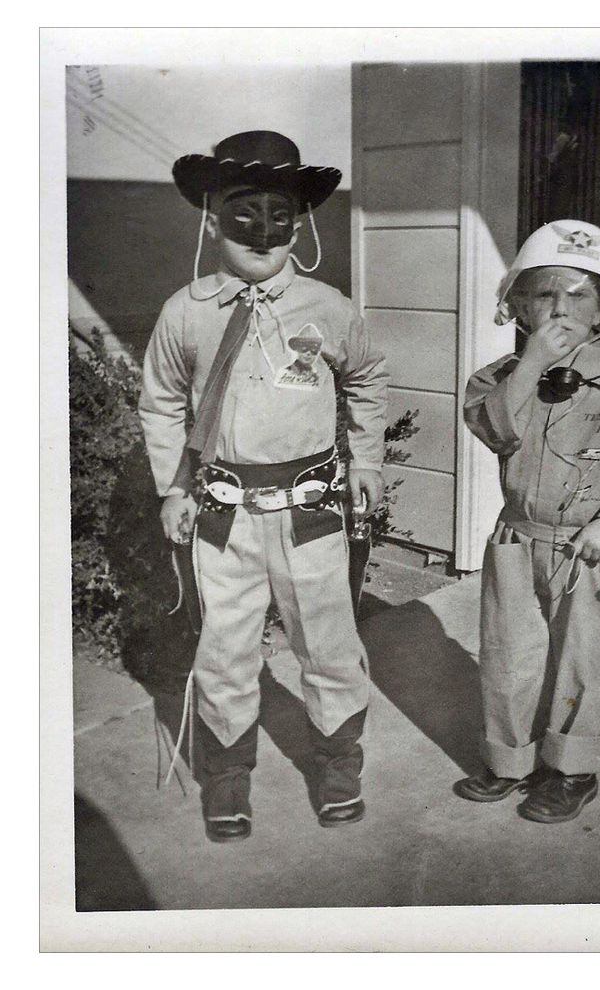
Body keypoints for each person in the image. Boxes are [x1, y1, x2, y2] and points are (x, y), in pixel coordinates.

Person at [138, 131, 388, 841]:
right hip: (224, 514)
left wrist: (366, 462)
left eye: (278, 213)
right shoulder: (184, 311)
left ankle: (338, 764)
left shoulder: (328, 306)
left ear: (299, 223)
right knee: (224, 649)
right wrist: (171, 488)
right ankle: (226, 777)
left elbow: (367, 379)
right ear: (212, 218)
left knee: (328, 644)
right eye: (243, 211)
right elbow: (159, 402)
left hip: (309, 510)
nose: (262, 231)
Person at [457, 220, 600, 823]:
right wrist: (530, 367)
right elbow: (493, 429)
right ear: (519, 305)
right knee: (508, 654)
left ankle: (573, 769)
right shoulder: (498, 380)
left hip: (587, 546)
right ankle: (509, 762)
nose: (560, 309)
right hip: (517, 540)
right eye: (545, 293)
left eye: (579, 295)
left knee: (579, 657)